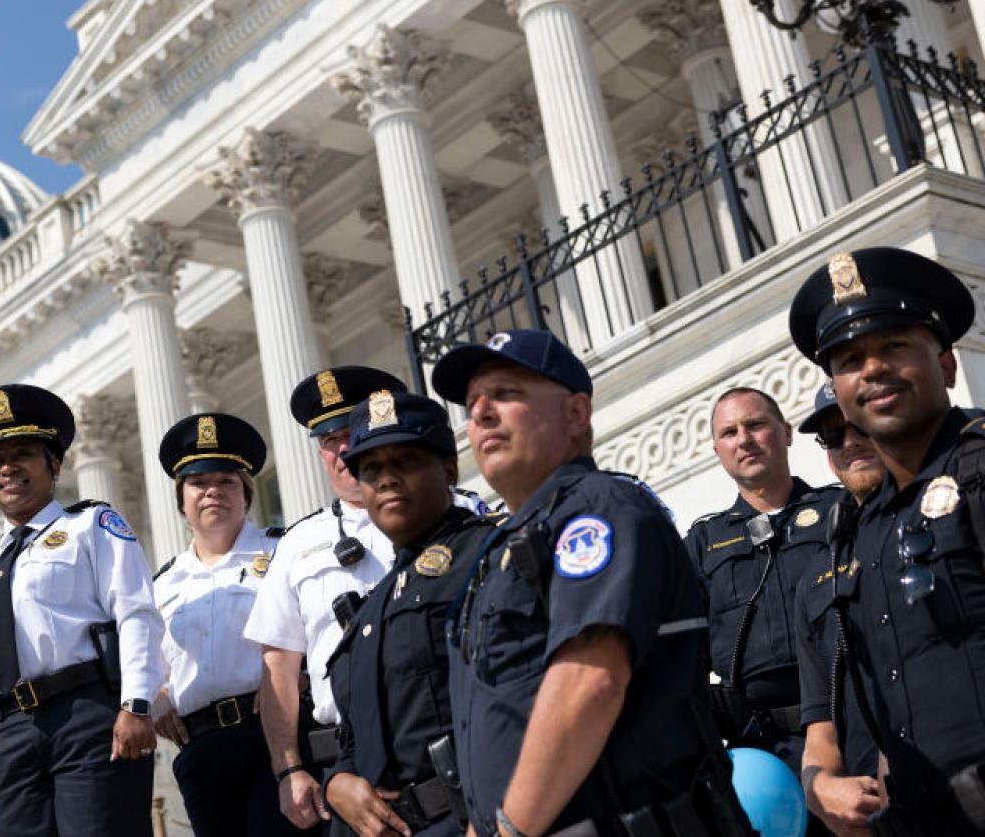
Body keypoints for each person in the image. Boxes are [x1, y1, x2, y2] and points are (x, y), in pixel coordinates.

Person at [434, 329, 749, 837]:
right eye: (472, 404)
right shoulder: (507, 543)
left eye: (506, 394)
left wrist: (510, 829)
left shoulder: (598, 509)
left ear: (577, 414)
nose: (481, 414)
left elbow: (589, 683)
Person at [788, 246, 985, 835]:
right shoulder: (860, 532)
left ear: (947, 366)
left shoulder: (979, 469)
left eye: (894, 346)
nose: (872, 368)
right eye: (849, 359)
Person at [0, 383, 165, 835]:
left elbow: (137, 614)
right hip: (9, 734)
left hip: (87, 716)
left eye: (21, 454)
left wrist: (136, 704)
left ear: (55, 465)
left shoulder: (91, 526)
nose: (7, 469)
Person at [243, 366, 406, 830]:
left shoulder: (451, 512)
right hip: (349, 761)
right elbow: (279, 668)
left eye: (352, 431)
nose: (343, 449)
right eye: (328, 439)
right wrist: (290, 768)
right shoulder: (298, 544)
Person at [322, 390, 490, 837]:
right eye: (372, 470)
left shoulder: (490, 556)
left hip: (473, 818)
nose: (386, 479)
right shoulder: (372, 606)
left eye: (406, 461)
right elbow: (362, 735)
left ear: (449, 469)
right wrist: (336, 781)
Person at [151, 411, 310, 837]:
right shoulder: (162, 583)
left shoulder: (283, 554)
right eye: (198, 483)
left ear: (247, 494)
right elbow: (152, 665)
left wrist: (295, 675)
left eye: (226, 481)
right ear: (181, 499)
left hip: (272, 738)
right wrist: (158, 698)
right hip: (201, 749)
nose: (212, 493)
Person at [685, 387, 835, 772]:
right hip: (763, 750)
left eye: (755, 425)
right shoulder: (703, 543)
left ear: (785, 433)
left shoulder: (839, 510)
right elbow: (684, 655)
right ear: (717, 450)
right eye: (729, 432)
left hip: (852, 720)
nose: (744, 440)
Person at [792, 382, 886, 835]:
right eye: (834, 434)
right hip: (879, 815)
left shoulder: (955, 513)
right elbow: (820, 728)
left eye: (858, 425)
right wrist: (820, 786)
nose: (849, 442)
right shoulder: (815, 577)